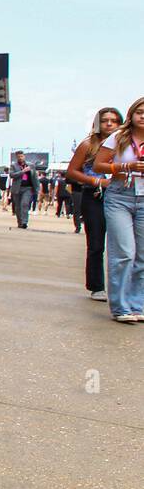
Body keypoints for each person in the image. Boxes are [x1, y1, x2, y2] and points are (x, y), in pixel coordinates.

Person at [92, 97, 144, 323]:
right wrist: (125, 166)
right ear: (132, 114)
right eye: (140, 112)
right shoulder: (119, 137)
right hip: (120, 196)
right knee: (124, 252)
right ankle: (121, 307)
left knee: (142, 256)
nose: (143, 116)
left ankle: (136, 304)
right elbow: (98, 165)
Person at [67, 107, 122, 302]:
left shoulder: (126, 145)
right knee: (96, 243)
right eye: (105, 120)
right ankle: (97, 285)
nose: (109, 124)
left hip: (121, 196)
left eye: (114, 121)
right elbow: (72, 171)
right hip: (95, 195)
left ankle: (122, 288)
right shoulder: (88, 145)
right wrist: (95, 181)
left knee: (123, 246)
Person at [11, 151, 38, 228]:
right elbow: (12, 175)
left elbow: (35, 177)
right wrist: (22, 171)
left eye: (22, 156)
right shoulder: (13, 165)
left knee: (25, 204)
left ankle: (24, 222)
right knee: (18, 206)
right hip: (17, 188)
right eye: (19, 157)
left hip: (28, 188)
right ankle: (19, 222)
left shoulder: (31, 165)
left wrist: (36, 188)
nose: (20, 158)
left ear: (24, 156)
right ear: (16, 157)